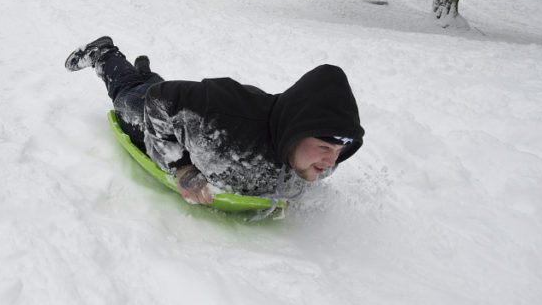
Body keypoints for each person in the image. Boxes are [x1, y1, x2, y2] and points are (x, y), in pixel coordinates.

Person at [64, 36, 365, 206]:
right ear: (296, 130)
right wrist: (180, 166)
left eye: (339, 152)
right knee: (128, 96)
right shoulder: (230, 117)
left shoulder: (319, 158)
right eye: (325, 147)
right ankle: (104, 53)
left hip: (184, 109)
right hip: (153, 115)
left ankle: (145, 71)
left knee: (165, 94)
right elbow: (160, 101)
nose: (331, 160)